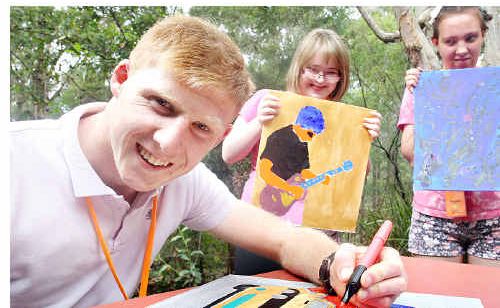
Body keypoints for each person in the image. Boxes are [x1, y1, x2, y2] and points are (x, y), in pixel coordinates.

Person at [10, 16, 406, 308]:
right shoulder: (14, 166)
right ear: (121, 77)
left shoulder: (184, 181)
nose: (167, 144)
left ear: (220, 133)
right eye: (160, 104)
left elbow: (284, 238)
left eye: (201, 127)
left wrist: (339, 262)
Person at [222, 28, 382, 275]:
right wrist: (259, 123)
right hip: (261, 231)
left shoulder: (345, 119)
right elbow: (229, 153)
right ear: (300, 67)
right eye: (313, 69)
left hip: (318, 237)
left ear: (341, 78)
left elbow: (356, 175)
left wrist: (363, 141)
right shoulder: (267, 99)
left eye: (331, 73)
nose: (320, 79)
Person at [398, 6, 499, 267]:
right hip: (435, 215)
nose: (462, 49)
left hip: (493, 216)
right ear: (436, 43)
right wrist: (425, 98)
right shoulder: (421, 88)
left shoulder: (495, 88)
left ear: (483, 35)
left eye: (470, 38)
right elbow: (409, 153)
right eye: (451, 41)